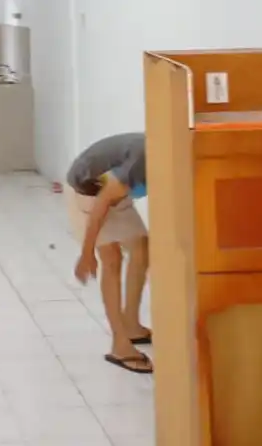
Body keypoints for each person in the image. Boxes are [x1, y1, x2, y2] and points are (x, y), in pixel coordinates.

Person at [65, 132, 152, 374]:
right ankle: (119, 345)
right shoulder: (143, 160)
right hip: (87, 189)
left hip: (114, 192)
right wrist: (87, 254)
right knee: (111, 259)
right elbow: (102, 202)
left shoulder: (170, 156)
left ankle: (131, 325)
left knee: (141, 247)